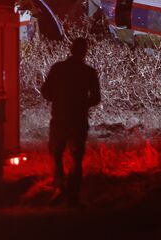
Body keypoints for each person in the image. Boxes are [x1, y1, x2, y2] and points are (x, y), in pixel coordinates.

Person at [41, 37, 101, 206]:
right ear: (84, 52)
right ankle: (73, 195)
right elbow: (96, 98)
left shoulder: (58, 69)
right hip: (78, 120)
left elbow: (45, 91)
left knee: (56, 153)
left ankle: (60, 186)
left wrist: (58, 100)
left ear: (71, 49)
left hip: (59, 118)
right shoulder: (89, 72)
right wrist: (82, 105)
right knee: (76, 157)